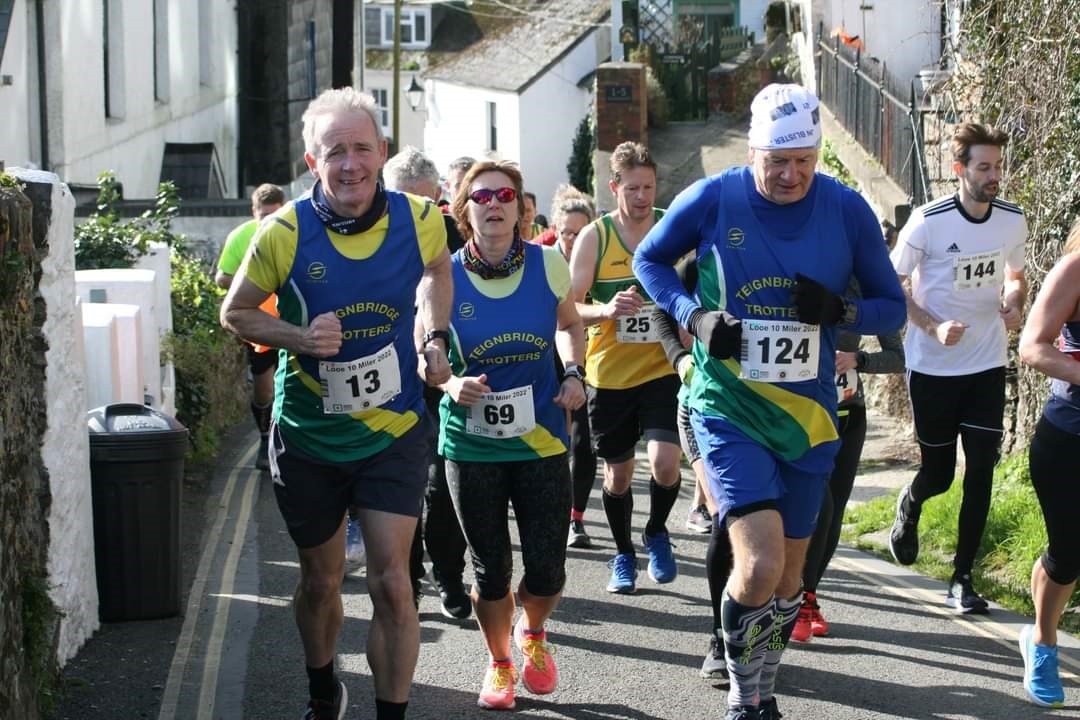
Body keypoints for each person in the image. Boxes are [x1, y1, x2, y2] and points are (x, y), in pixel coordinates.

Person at [633, 83, 906, 720]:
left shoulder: (846, 209)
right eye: (776, 162)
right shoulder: (714, 197)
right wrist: (693, 315)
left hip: (809, 417)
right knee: (757, 565)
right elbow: (649, 260)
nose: (790, 176)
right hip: (726, 407)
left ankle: (763, 684)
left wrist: (842, 311)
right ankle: (743, 696)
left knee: (790, 583)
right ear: (752, 150)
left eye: (804, 161)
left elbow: (892, 305)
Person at [219, 87, 452, 720]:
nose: (350, 165)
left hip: (393, 427)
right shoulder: (284, 233)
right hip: (311, 437)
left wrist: (433, 337)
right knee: (321, 583)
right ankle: (324, 690)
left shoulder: (420, 218)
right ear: (310, 160)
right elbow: (234, 311)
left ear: (382, 151)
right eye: (334, 152)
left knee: (392, 582)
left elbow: (436, 270)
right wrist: (298, 337)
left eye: (361, 149)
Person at [424, 160, 586, 710]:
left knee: (547, 565)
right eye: (482, 196)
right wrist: (450, 385)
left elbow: (568, 325)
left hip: (540, 435)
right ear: (464, 210)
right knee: (491, 568)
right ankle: (498, 663)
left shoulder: (548, 263)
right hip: (471, 444)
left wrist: (573, 373)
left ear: (522, 208)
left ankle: (533, 633)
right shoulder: (443, 275)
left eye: (505, 195)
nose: (494, 204)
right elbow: (430, 354)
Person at [888, 122, 1027, 614]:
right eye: (984, 167)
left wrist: (1013, 303)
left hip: (987, 363)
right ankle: (911, 502)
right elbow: (895, 284)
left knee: (982, 470)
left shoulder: (1012, 220)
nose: (994, 176)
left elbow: (1015, 276)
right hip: (933, 368)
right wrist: (930, 326)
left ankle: (962, 578)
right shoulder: (928, 221)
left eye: (998, 167)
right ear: (959, 170)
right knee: (941, 473)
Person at [568, 141, 683, 594]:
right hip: (609, 373)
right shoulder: (596, 237)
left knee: (665, 462)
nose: (641, 197)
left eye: (649, 187)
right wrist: (607, 309)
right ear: (614, 187)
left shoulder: (671, 227)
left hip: (661, 367)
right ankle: (623, 553)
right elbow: (570, 308)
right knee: (617, 475)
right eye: (632, 188)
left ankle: (656, 529)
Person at [383, 145, 472, 619]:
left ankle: (449, 575)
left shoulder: (454, 233)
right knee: (400, 487)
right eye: (405, 201)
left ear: (437, 196)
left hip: (441, 370)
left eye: (425, 202)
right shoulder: (367, 234)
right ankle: (408, 580)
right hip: (386, 378)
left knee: (441, 481)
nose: (416, 213)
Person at [791, 302, 905, 642]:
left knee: (835, 508)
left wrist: (859, 360)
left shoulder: (866, 294)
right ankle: (791, 594)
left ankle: (806, 597)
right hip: (803, 413)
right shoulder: (796, 282)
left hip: (848, 414)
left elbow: (899, 357)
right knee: (818, 507)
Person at [651, 257, 731, 679]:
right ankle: (719, 638)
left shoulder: (794, 245)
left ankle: (766, 639)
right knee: (726, 515)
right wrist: (680, 358)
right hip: (704, 407)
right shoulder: (701, 259)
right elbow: (661, 309)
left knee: (785, 530)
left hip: (778, 414)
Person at [1015, 219, 1080, 708]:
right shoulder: (1074, 268)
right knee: (1069, 555)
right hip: (1069, 439)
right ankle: (1042, 640)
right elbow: (1032, 346)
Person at [538, 184, 600, 548]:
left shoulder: (597, 262)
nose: (574, 240)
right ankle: (551, 507)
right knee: (557, 439)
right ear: (557, 231)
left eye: (581, 232)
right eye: (567, 232)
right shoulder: (545, 262)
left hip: (592, 360)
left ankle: (575, 518)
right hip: (551, 357)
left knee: (584, 443)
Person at [215, 182, 286, 470]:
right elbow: (222, 277)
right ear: (253, 212)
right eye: (263, 216)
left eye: (275, 215)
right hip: (259, 327)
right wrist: (253, 286)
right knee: (264, 390)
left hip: (293, 322)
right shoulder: (240, 236)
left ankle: (287, 443)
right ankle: (264, 437)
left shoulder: (295, 231)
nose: (268, 222)